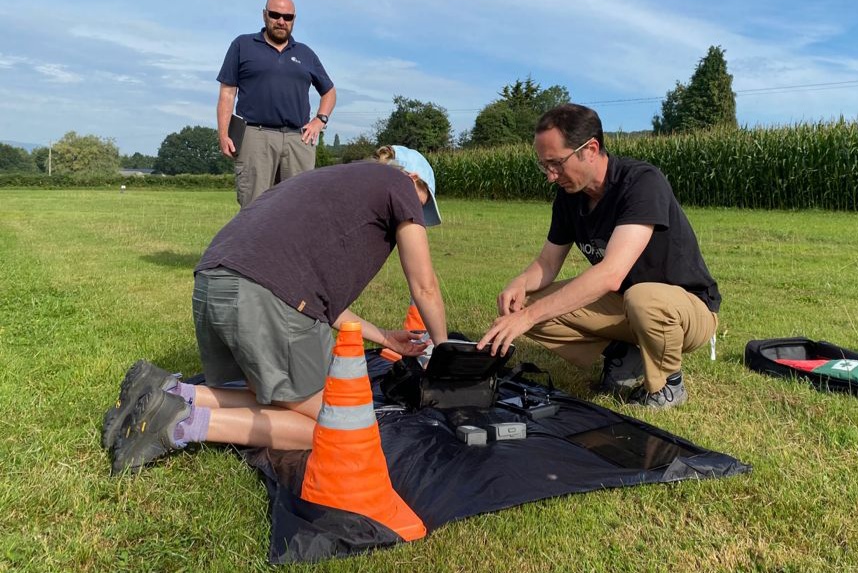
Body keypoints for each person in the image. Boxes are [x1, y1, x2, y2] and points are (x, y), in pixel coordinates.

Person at [104, 147, 446, 474]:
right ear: (414, 179)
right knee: (338, 426)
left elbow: (322, 304)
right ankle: (181, 423)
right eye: (423, 204)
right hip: (262, 297)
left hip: (215, 283)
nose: (418, 217)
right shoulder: (398, 183)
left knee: (274, 392)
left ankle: (171, 393)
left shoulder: (329, 181)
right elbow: (424, 286)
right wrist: (443, 353)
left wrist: (385, 337)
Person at [479, 104, 720, 410]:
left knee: (643, 298)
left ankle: (668, 385)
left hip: (686, 310)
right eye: (543, 166)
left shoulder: (641, 182)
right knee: (526, 305)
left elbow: (611, 274)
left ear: (590, 149)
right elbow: (548, 263)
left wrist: (527, 319)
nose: (551, 176)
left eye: (556, 163)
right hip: (625, 305)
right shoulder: (569, 198)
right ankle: (624, 355)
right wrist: (521, 284)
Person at [216, 0, 337, 207]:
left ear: (293, 20)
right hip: (255, 135)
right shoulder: (243, 45)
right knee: (254, 209)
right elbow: (227, 92)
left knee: (299, 208)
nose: (281, 21)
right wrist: (224, 133)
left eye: (287, 17)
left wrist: (320, 120)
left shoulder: (305, 53)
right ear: (264, 15)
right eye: (275, 15)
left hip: (298, 139)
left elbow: (329, 91)